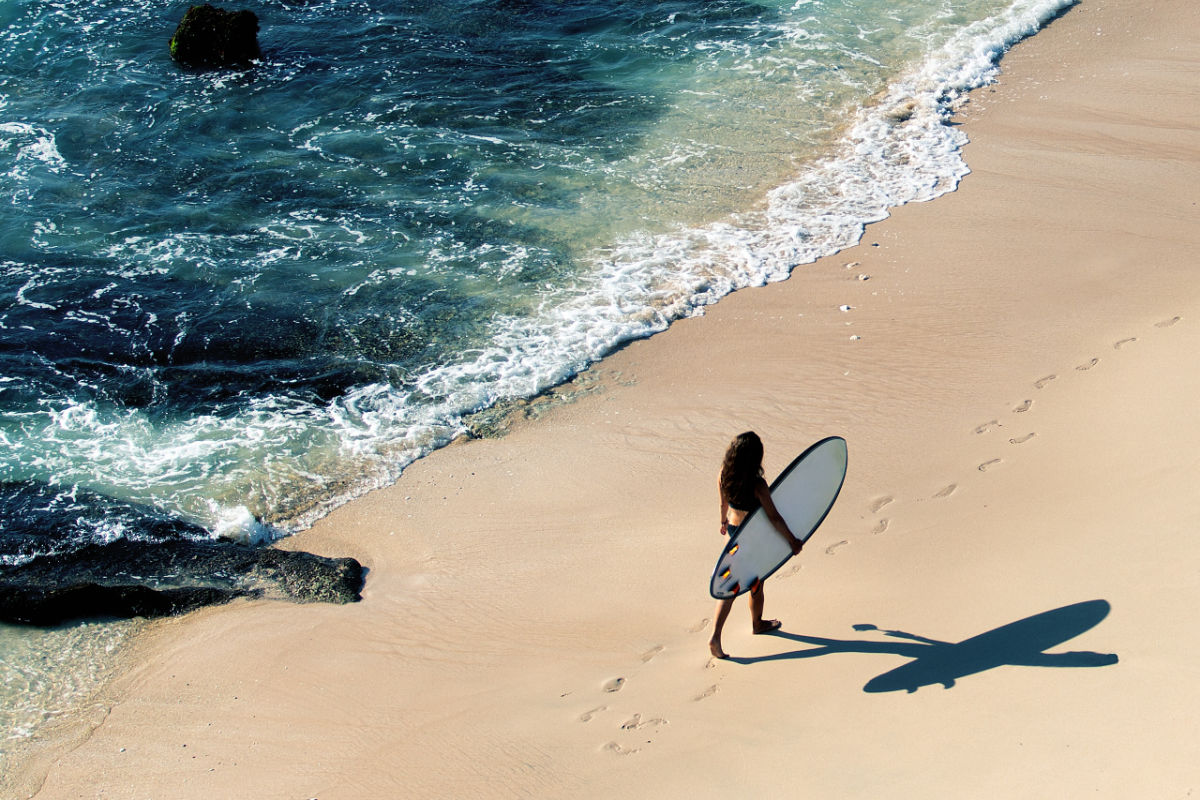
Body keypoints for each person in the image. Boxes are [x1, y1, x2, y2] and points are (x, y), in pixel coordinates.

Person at [709, 431, 803, 659]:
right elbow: (774, 518)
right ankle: (752, 625)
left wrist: (722, 522)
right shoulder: (757, 485)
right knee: (753, 584)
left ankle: (727, 632)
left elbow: (723, 503)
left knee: (733, 585)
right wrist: (792, 541)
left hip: (732, 534)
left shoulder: (724, 474)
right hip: (751, 540)